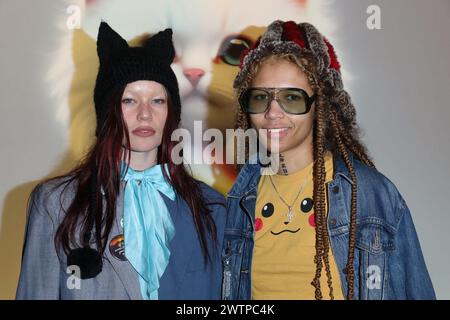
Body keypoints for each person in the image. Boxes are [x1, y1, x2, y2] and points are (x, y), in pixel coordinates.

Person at [222, 20, 435, 300]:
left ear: (320, 104)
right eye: (261, 97)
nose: (273, 113)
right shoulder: (238, 201)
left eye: (292, 98)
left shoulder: (372, 196)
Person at [16, 22, 226, 300]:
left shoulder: (211, 208)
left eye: (157, 101)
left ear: (171, 113)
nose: (145, 114)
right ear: (107, 112)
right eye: (129, 100)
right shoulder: (55, 203)